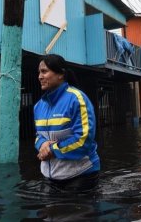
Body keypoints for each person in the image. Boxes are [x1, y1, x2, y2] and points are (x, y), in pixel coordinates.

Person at [34, 54, 100, 192]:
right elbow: (38, 135)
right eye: (39, 72)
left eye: (44, 71)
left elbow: (83, 139)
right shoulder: (38, 106)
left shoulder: (77, 99)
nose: (40, 76)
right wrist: (42, 144)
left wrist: (51, 150)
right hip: (50, 176)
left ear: (61, 74)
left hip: (81, 175)